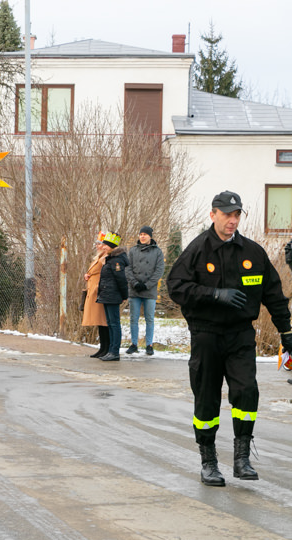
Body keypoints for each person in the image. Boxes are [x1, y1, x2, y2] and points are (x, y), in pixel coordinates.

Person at [168, 190, 292, 487]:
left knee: (246, 392)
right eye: (227, 214)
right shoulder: (198, 250)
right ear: (213, 215)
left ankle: (241, 458)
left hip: (240, 335)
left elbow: (273, 295)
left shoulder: (252, 252)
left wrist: (286, 332)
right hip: (207, 335)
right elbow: (176, 286)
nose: (232, 220)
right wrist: (213, 294)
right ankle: (208, 461)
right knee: (207, 398)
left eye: (237, 214)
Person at [124, 226, 165, 356]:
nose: (142, 236)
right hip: (134, 290)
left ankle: (149, 345)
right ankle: (134, 344)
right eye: (140, 234)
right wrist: (135, 283)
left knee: (149, 319)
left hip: (150, 291)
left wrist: (147, 285)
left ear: (150, 236)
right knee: (133, 318)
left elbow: (159, 271)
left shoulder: (157, 252)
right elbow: (127, 268)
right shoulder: (133, 251)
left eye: (145, 234)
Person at [95, 232, 129, 361]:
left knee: (114, 324)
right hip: (107, 294)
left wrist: (124, 295)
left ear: (111, 246)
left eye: (105, 245)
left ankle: (114, 351)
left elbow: (121, 280)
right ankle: (110, 350)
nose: (103, 247)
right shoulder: (110, 259)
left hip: (113, 295)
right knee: (110, 323)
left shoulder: (117, 261)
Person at [82, 234, 110, 358]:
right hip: (93, 290)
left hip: (98, 290)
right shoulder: (98, 256)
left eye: (100, 243)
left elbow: (106, 272)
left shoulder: (105, 257)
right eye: (97, 243)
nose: (97, 246)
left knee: (103, 320)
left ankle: (106, 348)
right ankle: (102, 347)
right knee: (99, 321)